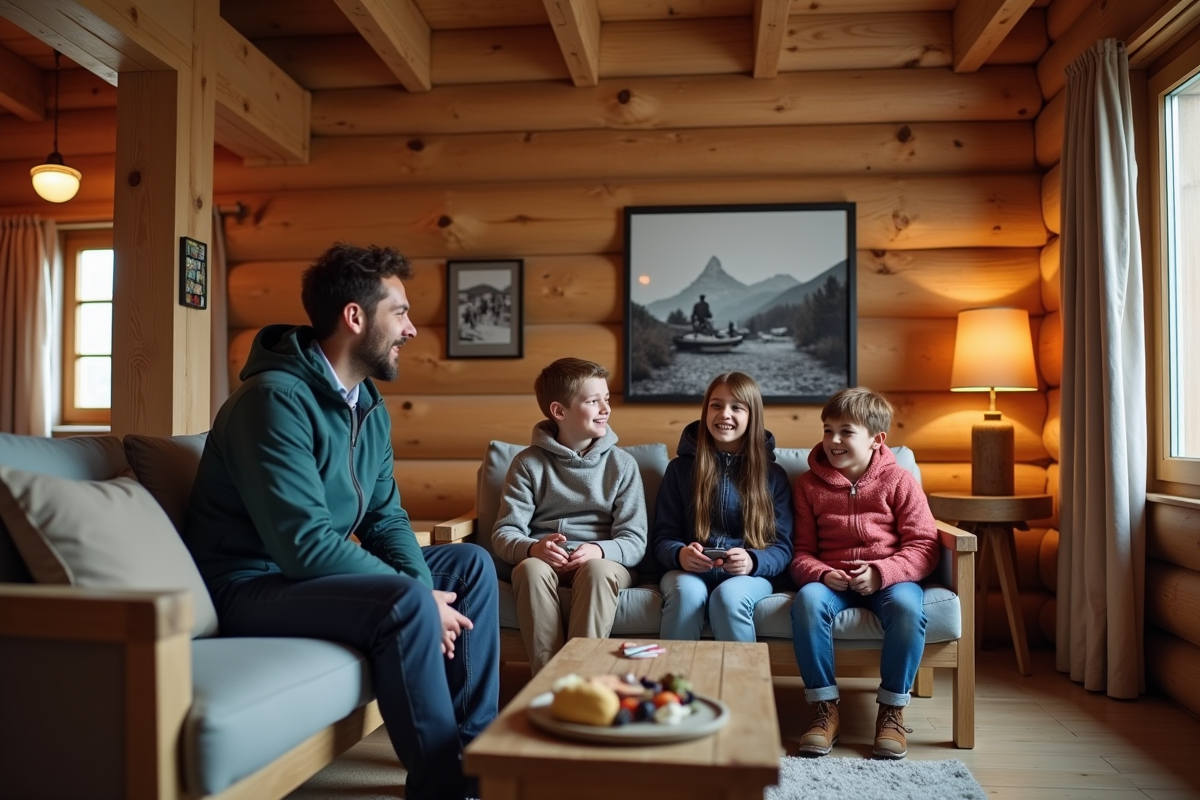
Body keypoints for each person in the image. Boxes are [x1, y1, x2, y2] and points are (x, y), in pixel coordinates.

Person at [185, 243, 499, 800]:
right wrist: (414, 596)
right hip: (248, 586)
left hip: (301, 580)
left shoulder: (365, 404)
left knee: (469, 566)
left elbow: (386, 517)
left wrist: (423, 587)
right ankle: (443, 790)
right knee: (405, 601)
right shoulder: (272, 401)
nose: (411, 329)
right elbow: (304, 545)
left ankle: (475, 768)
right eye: (400, 313)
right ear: (355, 317)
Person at [788, 387, 939, 760]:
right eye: (828, 430)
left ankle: (891, 711)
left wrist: (881, 572)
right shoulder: (808, 485)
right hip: (833, 581)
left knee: (908, 608)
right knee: (808, 601)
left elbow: (924, 545)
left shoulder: (900, 480)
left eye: (846, 431)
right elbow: (800, 553)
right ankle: (824, 709)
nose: (833, 440)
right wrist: (822, 575)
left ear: (877, 439)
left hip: (889, 579)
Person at [491, 358, 648, 674]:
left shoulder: (622, 465)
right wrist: (533, 549)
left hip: (604, 563)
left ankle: (583, 679)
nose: (605, 409)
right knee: (529, 570)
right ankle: (550, 680)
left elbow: (634, 539)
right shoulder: (527, 464)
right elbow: (505, 533)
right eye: (593, 401)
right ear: (559, 412)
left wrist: (599, 550)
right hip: (545, 563)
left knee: (596, 571)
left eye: (606, 399)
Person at [652, 372, 793, 641]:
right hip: (688, 573)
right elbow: (662, 536)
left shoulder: (774, 476)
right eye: (716, 405)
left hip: (747, 577)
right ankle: (675, 669)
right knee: (686, 595)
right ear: (706, 411)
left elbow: (783, 548)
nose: (724, 414)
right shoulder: (680, 470)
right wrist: (680, 554)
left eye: (737, 407)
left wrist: (752, 561)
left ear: (752, 416)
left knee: (728, 598)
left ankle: (739, 672)